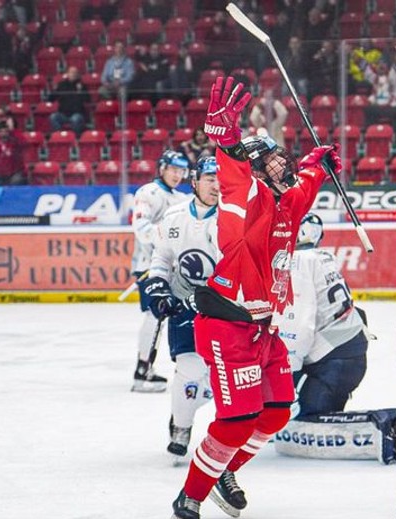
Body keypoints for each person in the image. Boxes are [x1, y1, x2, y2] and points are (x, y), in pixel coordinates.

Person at [165, 76, 336, 519]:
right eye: (273, 160)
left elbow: (305, 187)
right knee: (237, 419)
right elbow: (235, 175)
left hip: (264, 329)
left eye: (282, 157)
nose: (283, 163)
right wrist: (228, 142)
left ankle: (222, 470)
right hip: (229, 326)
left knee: (276, 412)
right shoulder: (247, 196)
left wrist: (319, 164)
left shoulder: (286, 201)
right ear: (257, 171)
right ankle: (190, 497)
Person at [273, 213, 396, 464]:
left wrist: (286, 376)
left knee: (300, 427)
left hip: (335, 360)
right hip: (344, 354)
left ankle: (386, 425)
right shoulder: (322, 258)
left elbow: (299, 325)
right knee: (298, 417)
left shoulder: (298, 262)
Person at [142, 157, 221, 463]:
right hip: (184, 302)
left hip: (223, 305)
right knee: (189, 369)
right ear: (195, 182)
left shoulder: (232, 217)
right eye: (210, 179)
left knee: (218, 378)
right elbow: (162, 258)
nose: (216, 185)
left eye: (220, 179)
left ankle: (195, 412)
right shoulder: (174, 216)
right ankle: (182, 426)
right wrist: (158, 286)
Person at [130, 150, 193, 393]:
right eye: (173, 169)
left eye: (181, 171)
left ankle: (168, 367)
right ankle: (142, 369)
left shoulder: (183, 198)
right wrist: (169, 239)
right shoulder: (148, 193)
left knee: (171, 318)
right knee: (154, 316)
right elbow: (142, 228)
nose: (177, 175)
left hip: (174, 269)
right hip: (150, 266)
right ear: (162, 168)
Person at [49, 66, 90, 135]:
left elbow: (88, 100)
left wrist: (80, 91)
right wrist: (54, 90)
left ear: (78, 75)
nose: (73, 74)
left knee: (75, 119)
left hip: (77, 113)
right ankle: (60, 135)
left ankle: (76, 138)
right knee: (53, 117)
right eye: (71, 72)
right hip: (63, 114)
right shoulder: (61, 85)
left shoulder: (81, 86)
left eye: (75, 73)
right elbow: (51, 99)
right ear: (67, 74)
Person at [0, 121, 26, 186]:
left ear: (9, 133)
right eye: (1, 132)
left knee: (16, 181)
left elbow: (23, 142)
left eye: (6, 131)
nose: (3, 134)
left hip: (14, 173)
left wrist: (13, 130)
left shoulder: (14, 141)